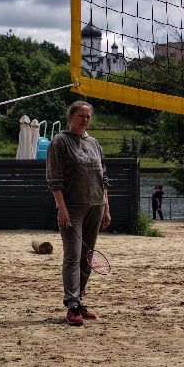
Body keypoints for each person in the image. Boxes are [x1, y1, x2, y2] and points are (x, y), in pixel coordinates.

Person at [45, 100, 111, 326]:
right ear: (70, 117)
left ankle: (79, 300)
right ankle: (71, 305)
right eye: (81, 116)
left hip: (96, 205)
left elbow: (103, 177)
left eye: (88, 116)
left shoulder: (94, 143)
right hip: (72, 207)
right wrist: (61, 209)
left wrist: (106, 208)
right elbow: (54, 180)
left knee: (87, 258)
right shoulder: (60, 142)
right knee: (72, 256)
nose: (84, 119)